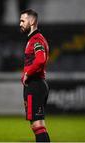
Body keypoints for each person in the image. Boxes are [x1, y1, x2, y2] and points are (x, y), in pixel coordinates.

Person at [19, 9, 50, 142]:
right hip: (36, 84)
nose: (20, 24)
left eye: (22, 21)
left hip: (35, 84)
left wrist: (27, 73)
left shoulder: (36, 39)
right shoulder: (34, 39)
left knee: (37, 124)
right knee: (38, 125)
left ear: (31, 21)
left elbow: (41, 60)